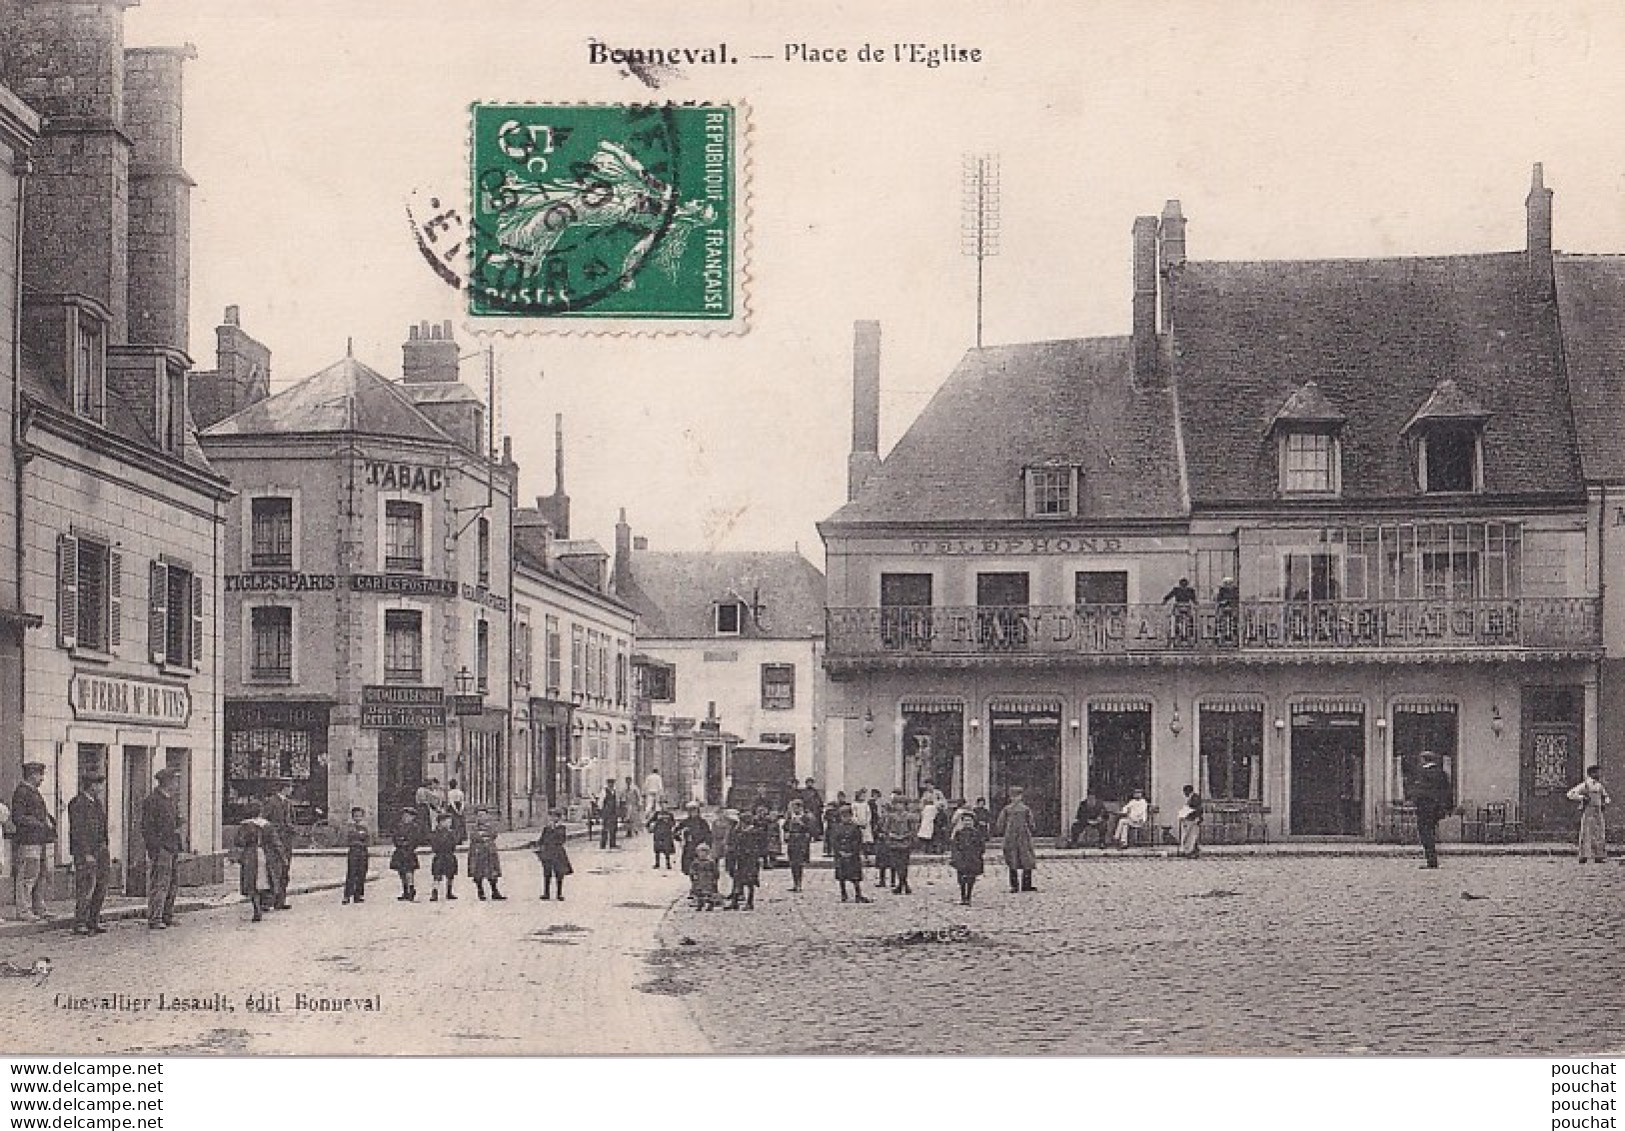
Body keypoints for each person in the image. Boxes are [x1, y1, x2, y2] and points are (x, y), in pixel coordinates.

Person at [10, 762, 56, 922]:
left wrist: (49, 820)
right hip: (28, 841)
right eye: (40, 775)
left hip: (40, 840)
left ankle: (39, 907)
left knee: (41, 874)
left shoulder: (33, 792)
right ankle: (24, 910)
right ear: (32, 775)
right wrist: (40, 823)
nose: (42, 778)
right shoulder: (22, 792)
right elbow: (18, 817)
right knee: (28, 875)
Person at [141, 767, 185, 930]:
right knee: (160, 883)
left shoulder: (171, 800)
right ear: (166, 782)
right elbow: (147, 828)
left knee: (172, 883)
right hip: (161, 849)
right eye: (174, 780)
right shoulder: (153, 801)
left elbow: (173, 823)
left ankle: (167, 915)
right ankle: (155, 917)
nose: (177, 784)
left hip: (172, 846)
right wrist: (155, 847)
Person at [68, 772, 110, 936]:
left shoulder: (97, 803)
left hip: (100, 850)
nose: (100, 787)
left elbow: (102, 826)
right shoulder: (78, 803)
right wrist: (86, 853)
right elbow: (77, 832)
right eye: (98, 784)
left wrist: (105, 844)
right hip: (86, 853)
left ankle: (93, 920)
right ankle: (80, 922)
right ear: (91, 785)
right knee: (86, 888)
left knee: (101, 887)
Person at [1411, 751, 1454, 869]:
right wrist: (1446, 808)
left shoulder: (1423, 773)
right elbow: (1447, 791)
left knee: (1425, 834)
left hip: (1425, 808)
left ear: (1424, 760)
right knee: (1431, 833)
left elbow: (1421, 791)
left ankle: (1431, 861)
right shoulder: (1441, 773)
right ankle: (1432, 860)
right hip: (1436, 809)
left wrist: (1415, 800)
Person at [259, 778, 296, 910]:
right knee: (272, 871)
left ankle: (280, 901)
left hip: (286, 842)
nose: (292, 789)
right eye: (290, 787)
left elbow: (291, 820)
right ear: (284, 788)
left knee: (285, 870)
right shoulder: (271, 802)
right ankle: (267, 902)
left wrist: (292, 829)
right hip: (273, 842)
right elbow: (263, 821)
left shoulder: (288, 803)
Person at [232, 813, 275, 922]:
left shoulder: (245, 826)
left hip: (250, 856)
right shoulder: (267, 825)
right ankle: (263, 904)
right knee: (263, 882)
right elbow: (274, 841)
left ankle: (256, 909)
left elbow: (238, 842)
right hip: (264, 854)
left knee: (252, 883)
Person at [995, 786, 1038, 892]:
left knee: (1025, 860)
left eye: (1017, 796)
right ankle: (1016, 885)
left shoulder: (1024, 809)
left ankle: (1024, 885)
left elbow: (1031, 822)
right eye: (1014, 796)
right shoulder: (1008, 809)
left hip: (1021, 836)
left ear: (1021, 796)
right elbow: (1001, 822)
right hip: (1013, 836)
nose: (1015, 798)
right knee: (1015, 860)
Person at [1567, 765, 1611, 864]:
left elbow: (1606, 796)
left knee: (1599, 832)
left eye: (1599, 772)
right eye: (1596, 772)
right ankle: (1583, 855)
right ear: (1591, 774)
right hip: (1588, 811)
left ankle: (1599, 856)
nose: (1598, 774)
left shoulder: (1599, 786)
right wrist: (1582, 798)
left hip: (1598, 811)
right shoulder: (1585, 785)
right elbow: (1570, 794)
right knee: (1586, 832)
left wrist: (1605, 802)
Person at [829, 804, 871, 903]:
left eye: (847, 816)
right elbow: (834, 841)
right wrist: (839, 851)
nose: (845, 818)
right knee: (841, 876)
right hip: (840, 855)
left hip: (852, 855)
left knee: (855, 876)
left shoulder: (855, 828)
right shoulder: (837, 828)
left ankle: (858, 894)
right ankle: (843, 894)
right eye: (843, 816)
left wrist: (852, 852)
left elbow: (857, 841)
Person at [950, 808, 987, 905]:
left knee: (971, 878)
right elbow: (954, 846)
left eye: (969, 820)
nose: (967, 823)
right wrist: (956, 856)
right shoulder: (958, 833)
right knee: (961, 879)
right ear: (962, 822)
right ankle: (963, 896)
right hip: (961, 858)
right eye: (965, 820)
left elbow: (981, 846)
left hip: (972, 859)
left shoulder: (977, 833)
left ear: (973, 822)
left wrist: (978, 855)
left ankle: (968, 896)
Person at [533, 808, 572, 900]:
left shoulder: (562, 828)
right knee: (547, 873)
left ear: (558, 818)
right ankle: (546, 893)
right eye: (550, 816)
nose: (551, 818)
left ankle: (559, 894)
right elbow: (542, 839)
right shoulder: (546, 828)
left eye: (553, 816)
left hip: (558, 853)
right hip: (547, 852)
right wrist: (537, 845)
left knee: (559, 873)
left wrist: (554, 829)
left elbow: (562, 839)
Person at [466, 806, 505, 899]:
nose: (482, 817)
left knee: (492, 872)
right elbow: (473, 836)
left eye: (483, 815)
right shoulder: (473, 827)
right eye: (479, 815)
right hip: (478, 852)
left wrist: (484, 836)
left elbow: (494, 834)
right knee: (478, 872)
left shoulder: (491, 826)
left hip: (489, 851)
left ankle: (495, 891)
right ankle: (480, 891)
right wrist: (483, 837)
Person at [726, 814, 762, 910]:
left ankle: (749, 903)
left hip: (750, 860)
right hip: (741, 859)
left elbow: (757, 847)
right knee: (738, 880)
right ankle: (735, 902)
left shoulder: (753, 833)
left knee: (750, 881)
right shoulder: (740, 831)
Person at [883, 793, 915, 894]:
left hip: (905, 842)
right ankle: (903, 884)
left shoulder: (909, 816)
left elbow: (913, 830)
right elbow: (885, 829)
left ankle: (902, 884)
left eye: (901, 804)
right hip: (894, 842)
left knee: (904, 864)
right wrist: (891, 836)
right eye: (897, 804)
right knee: (897, 864)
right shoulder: (891, 817)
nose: (899, 806)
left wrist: (907, 836)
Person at [390, 806, 422, 901]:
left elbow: (415, 839)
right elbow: (395, 837)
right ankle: (405, 891)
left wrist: (408, 844)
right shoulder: (399, 826)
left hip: (409, 851)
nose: (406, 817)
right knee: (401, 872)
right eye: (405, 815)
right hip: (400, 851)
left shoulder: (414, 827)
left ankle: (411, 889)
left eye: (409, 816)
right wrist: (399, 843)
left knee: (409, 871)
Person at [782, 798, 814, 892]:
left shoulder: (806, 817)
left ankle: (799, 883)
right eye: (794, 808)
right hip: (792, 841)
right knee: (792, 863)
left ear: (801, 808)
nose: (795, 810)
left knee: (799, 863)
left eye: (797, 808)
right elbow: (785, 827)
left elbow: (811, 830)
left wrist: (802, 824)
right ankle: (795, 883)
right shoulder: (790, 817)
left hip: (801, 841)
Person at [428, 813, 460, 901]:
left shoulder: (451, 832)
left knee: (450, 875)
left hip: (450, 855)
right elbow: (434, 844)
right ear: (440, 822)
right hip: (439, 856)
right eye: (447, 822)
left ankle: (449, 892)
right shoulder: (435, 833)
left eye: (450, 822)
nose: (449, 824)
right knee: (437, 875)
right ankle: (434, 892)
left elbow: (455, 842)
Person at [342, 806, 370, 905]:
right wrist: (359, 841)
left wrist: (359, 841)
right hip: (353, 853)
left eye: (359, 816)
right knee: (351, 873)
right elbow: (350, 840)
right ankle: (347, 895)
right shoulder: (350, 828)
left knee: (362, 873)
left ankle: (359, 894)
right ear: (353, 817)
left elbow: (367, 840)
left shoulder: (365, 828)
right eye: (356, 816)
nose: (358, 818)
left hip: (363, 853)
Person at [675, 801, 712, 875]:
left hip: (700, 847)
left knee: (700, 865)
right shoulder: (685, 822)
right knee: (688, 866)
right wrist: (680, 837)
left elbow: (708, 834)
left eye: (694, 810)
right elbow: (676, 832)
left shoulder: (702, 822)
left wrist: (707, 845)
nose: (693, 812)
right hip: (688, 846)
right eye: (690, 810)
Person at [1163, 576, 1198, 645]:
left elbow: (1194, 599)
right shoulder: (1177, 590)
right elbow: (1169, 595)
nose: (1183, 585)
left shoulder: (1190, 590)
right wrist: (1165, 600)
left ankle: (1186, 636)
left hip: (1185, 607)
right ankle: (1176, 635)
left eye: (1184, 584)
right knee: (1176, 621)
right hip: (1179, 607)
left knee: (1189, 621)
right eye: (1182, 584)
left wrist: (1195, 603)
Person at [688, 843, 721, 911]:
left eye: (704, 852)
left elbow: (715, 871)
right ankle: (700, 904)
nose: (702, 854)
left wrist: (715, 878)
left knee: (710, 893)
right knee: (699, 893)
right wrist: (693, 876)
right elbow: (692, 870)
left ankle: (710, 904)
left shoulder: (711, 862)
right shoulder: (696, 862)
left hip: (709, 879)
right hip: (699, 879)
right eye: (700, 852)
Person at [1176, 785, 1204, 859]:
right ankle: (1193, 851)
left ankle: (1191, 851)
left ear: (1188, 791)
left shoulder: (1195, 798)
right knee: (1190, 836)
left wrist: (1197, 817)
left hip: (1193, 819)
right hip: (1190, 819)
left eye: (1185, 792)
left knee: (1192, 836)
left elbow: (1198, 809)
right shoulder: (1191, 798)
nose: (1184, 794)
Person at [648, 805, 677, 870]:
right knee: (657, 849)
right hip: (658, 833)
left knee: (667, 849)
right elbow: (650, 821)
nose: (664, 807)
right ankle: (657, 863)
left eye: (666, 806)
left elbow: (673, 823)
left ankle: (668, 864)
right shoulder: (657, 814)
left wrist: (670, 825)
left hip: (666, 834)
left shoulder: (670, 815)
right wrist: (650, 827)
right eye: (663, 806)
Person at [1216, 576, 1240, 646]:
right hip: (1224, 610)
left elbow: (1236, 599)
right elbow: (1219, 599)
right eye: (1226, 583)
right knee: (1222, 625)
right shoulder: (1222, 590)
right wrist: (1222, 603)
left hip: (1233, 610)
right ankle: (1222, 640)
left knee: (1234, 624)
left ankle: (1234, 640)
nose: (1228, 585)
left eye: (1229, 583)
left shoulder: (1235, 590)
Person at [599, 780, 621, 850]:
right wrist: (601, 810)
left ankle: (612, 843)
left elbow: (617, 801)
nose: (611, 785)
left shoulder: (614, 791)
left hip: (613, 811)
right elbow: (601, 801)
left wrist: (617, 808)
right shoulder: (604, 791)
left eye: (612, 783)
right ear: (608, 784)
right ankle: (603, 844)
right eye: (610, 783)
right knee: (605, 827)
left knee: (614, 828)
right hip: (607, 811)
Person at [445, 778, 467, 845]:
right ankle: (460, 839)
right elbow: (462, 802)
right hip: (460, 807)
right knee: (460, 823)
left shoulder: (450, 793)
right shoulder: (460, 792)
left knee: (454, 824)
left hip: (453, 809)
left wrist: (456, 810)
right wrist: (461, 810)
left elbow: (451, 802)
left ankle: (456, 839)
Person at [916, 789, 938, 853]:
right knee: (927, 836)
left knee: (926, 836)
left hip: (928, 823)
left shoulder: (930, 808)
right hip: (927, 823)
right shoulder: (929, 808)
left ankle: (926, 849)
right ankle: (927, 850)